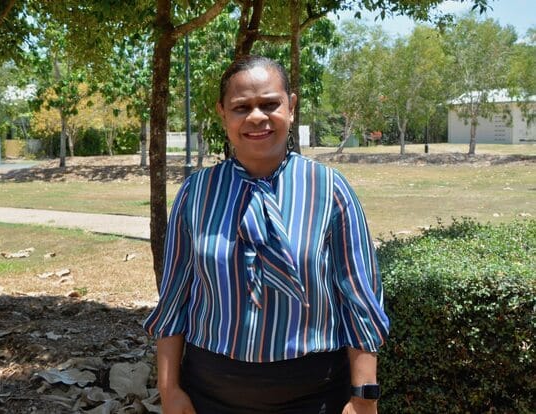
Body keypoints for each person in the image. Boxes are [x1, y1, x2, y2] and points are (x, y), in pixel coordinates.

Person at [144, 55, 389, 414]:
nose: (256, 117)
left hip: (315, 397)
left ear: (291, 106)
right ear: (223, 114)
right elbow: (174, 301)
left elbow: (359, 300)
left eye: (270, 104)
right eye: (241, 107)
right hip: (209, 396)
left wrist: (364, 398)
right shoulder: (196, 194)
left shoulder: (329, 189)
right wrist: (169, 389)